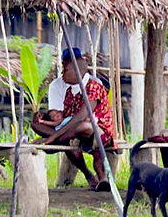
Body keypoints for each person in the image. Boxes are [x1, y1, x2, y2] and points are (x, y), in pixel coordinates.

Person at [32, 49, 117, 191]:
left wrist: (54, 137)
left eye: (65, 70)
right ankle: (91, 176)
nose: (62, 74)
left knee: (82, 126)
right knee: (39, 124)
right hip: (75, 133)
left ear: (76, 72)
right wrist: (44, 116)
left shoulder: (94, 86)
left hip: (99, 132)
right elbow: (64, 117)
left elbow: (80, 117)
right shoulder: (69, 92)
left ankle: (54, 142)